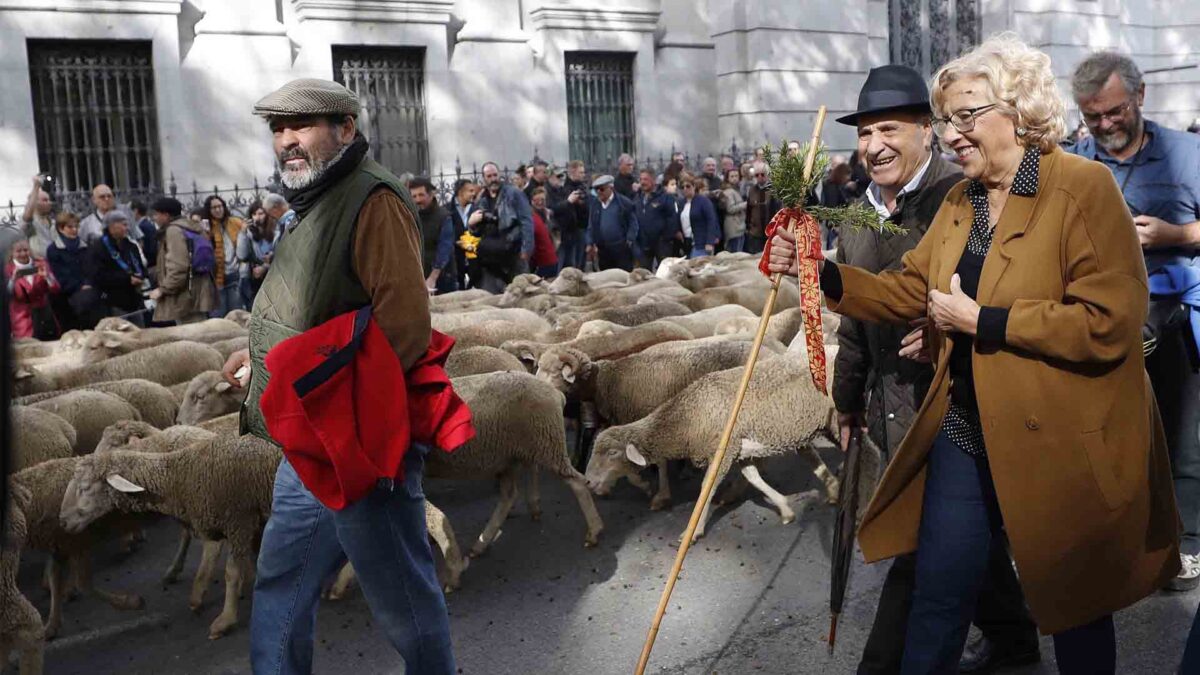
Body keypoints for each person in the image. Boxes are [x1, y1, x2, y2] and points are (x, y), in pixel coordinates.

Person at [767, 34, 1179, 673]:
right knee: (938, 589)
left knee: (1076, 611)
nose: (954, 133)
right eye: (947, 119)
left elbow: (1109, 322)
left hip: (1061, 435)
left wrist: (981, 320)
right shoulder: (963, 202)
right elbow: (909, 286)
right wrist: (821, 276)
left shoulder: (1082, 187)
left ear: (1018, 111)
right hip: (967, 427)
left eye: (967, 116)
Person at [221, 78, 454, 674]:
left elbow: (402, 327)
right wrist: (258, 358)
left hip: (358, 444)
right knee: (281, 582)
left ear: (345, 128)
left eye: (301, 126)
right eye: (277, 129)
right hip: (307, 443)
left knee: (401, 595)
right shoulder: (315, 202)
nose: (286, 140)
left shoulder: (372, 199)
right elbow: (313, 310)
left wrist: (332, 408)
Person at [831, 64, 1037, 675]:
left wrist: (945, 322)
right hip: (889, 401)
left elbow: (997, 282)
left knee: (921, 547)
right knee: (961, 538)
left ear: (927, 130)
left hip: (952, 400)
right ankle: (1016, 641)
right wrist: (846, 400)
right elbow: (856, 320)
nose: (874, 146)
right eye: (865, 133)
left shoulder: (964, 191)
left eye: (888, 129)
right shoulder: (855, 214)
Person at [1068, 51, 1200, 594]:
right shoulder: (1074, 165)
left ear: (1140, 97)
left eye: (1114, 112)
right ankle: (1112, 543)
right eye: (1092, 116)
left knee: (1182, 443)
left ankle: (1185, 548)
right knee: (1105, 442)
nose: (1104, 126)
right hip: (1102, 326)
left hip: (1177, 323)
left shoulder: (1188, 155)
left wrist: (1176, 236)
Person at [147, 197, 217, 325]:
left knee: (192, 338)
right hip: (198, 290)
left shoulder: (174, 231)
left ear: (166, 215)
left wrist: (163, 290)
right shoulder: (191, 227)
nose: (154, 218)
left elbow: (178, 267)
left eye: (156, 214)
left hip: (184, 296)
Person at [470, 161, 534, 292]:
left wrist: (526, 249)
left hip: (514, 252)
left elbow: (526, 221)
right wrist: (471, 224)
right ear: (484, 178)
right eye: (489, 176)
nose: (493, 179)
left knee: (522, 293)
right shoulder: (481, 199)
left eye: (495, 175)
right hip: (491, 257)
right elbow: (475, 233)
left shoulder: (514, 193)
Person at [84, 210, 147, 322]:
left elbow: (140, 267)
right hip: (113, 302)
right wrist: (127, 279)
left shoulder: (130, 245)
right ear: (111, 226)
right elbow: (98, 275)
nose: (127, 228)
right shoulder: (98, 248)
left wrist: (140, 276)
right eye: (123, 225)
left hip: (134, 299)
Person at [45, 210, 103, 330]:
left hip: (88, 290)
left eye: (76, 226)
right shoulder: (54, 250)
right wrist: (79, 286)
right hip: (67, 294)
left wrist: (88, 283)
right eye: (70, 227)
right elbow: (59, 275)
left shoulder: (85, 246)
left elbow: (91, 268)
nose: (74, 230)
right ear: (61, 229)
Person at [408, 177, 457, 295]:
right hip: (419, 275)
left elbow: (444, 249)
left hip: (442, 278)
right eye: (414, 196)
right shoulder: (412, 217)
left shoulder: (444, 217)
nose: (418, 200)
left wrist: (432, 278)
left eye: (421, 195)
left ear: (431, 195)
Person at [6, 238, 59, 340]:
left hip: (43, 315)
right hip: (22, 319)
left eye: (25, 250)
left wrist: (47, 277)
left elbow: (55, 288)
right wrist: (12, 280)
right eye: (18, 251)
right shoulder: (7, 269)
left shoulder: (41, 263)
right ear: (12, 253)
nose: (23, 254)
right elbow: (5, 297)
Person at [203, 195, 245, 316]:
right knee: (219, 316)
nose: (217, 210)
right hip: (216, 278)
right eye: (214, 207)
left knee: (236, 314)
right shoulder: (207, 227)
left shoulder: (235, 222)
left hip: (234, 274)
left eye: (219, 206)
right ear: (209, 210)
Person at [585, 175, 638, 272]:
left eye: (601, 189)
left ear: (611, 188)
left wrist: (630, 239)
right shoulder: (595, 205)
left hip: (621, 248)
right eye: (596, 189)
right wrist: (589, 242)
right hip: (603, 250)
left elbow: (633, 223)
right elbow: (591, 225)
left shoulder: (623, 203)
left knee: (623, 275)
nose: (598, 192)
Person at [633, 168, 680, 270]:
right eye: (641, 179)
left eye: (645, 179)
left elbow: (672, 219)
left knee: (665, 273)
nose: (642, 182)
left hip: (661, 244)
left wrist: (665, 238)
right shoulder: (638, 198)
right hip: (644, 244)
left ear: (653, 180)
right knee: (644, 274)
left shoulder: (665, 197)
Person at [236, 200, 279, 308]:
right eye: (254, 214)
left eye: (260, 213)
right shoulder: (249, 234)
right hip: (253, 279)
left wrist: (265, 267)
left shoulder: (276, 232)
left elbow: (280, 255)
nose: (257, 217)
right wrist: (243, 233)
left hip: (273, 277)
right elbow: (241, 255)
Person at [551, 160, 590, 271]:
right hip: (568, 230)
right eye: (580, 172)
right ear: (572, 172)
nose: (583, 175)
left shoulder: (583, 186)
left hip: (582, 226)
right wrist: (569, 202)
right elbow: (556, 208)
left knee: (580, 262)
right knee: (570, 264)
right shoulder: (563, 188)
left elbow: (587, 205)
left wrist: (583, 203)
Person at [745, 161, 781, 254]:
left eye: (762, 174)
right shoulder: (752, 190)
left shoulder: (774, 189)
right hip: (755, 232)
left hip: (771, 231)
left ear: (767, 175)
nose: (760, 177)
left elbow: (779, 209)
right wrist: (748, 226)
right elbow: (748, 210)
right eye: (757, 175)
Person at [448, 179, 477, 290]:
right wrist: (456, 241)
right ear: (460, 192)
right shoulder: (447, 210)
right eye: (470, 191)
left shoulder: (476, 208)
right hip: (456, 259)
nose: (473, 194)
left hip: (474, 258)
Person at [680, 175, 718, 258]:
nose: (685, 189)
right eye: (682, 187)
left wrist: (710, 242)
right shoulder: (682, 203)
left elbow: (711, 221)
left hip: (701, 243)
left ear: (694, 186)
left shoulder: (703, 201)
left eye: (688, 186)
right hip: (687, 242)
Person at [20, 175, 55, 258]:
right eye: (45, 200)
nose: (49, 203)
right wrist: (36, 187)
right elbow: (27, 217)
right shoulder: (33, 221)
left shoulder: (52, 221)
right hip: (39, 263)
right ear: (34, 202)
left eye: (49, 200)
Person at [528, 187, 559, 277]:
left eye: (542, 200)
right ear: (531, 201)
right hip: (541, 260)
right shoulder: (531, 217)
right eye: (536, 200)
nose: (540, 202)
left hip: (551, 257)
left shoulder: (549, 214)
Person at [718, 169, 748, 253]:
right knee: (736, 253)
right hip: (734, 227)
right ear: (727, 178)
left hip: (739, 226)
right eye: (732, 176)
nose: (734, 178)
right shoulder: (728, 191)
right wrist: (745, 204)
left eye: (736, 176)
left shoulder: (737, 190)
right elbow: (730, 209)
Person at [130, 199, 159, 270]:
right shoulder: (147, 224)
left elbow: (150, 248)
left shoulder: (142, 227)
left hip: (149, 265)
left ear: (135, 211)